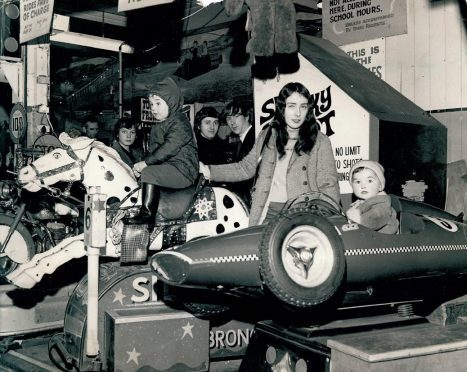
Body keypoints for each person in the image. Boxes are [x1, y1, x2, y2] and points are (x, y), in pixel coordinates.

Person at [200, 82, 340, 226]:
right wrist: (209, 171)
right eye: (291, 106)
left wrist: (331, 223)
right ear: (282, 107)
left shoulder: (320, 141)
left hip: (304, 215)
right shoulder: (267, 135)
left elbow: (328, 186)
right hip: (267, 213)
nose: (298, 113)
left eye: (303, 106)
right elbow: (245, 167)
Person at [130, 77, 199, 224]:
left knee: (150, 173)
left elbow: (170, 146)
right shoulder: (161, 125)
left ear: (171, 102)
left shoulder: (180, 121)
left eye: (158, 103)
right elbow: (154, 151)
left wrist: (146, 164)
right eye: (151, 104)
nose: (153, 108)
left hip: (183, 170)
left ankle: (147, 215)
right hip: (171, 167)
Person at [346, 160, 399, 234]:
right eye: (358, 182)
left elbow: (376, 218)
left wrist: (358, 219)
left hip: (383, 243)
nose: (363, 186)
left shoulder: (382, 204)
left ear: (380, 186)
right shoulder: (360, 204)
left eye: (369, 181)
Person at [221, 100, 255, 205]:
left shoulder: (253, 138)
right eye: (229, 118)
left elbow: (246, 176)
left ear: (247, 116)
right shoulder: (243, 140)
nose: (232, 122)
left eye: (236, 116)